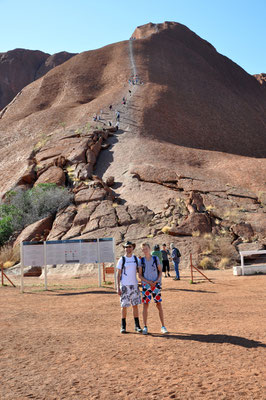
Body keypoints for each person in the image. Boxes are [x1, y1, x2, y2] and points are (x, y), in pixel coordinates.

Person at [139, 242, 168, 335]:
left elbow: (160, 271)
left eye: (146, 248)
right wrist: (148, 282)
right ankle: (145, 327)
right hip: (146, 286)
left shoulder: (155, 259)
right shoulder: (141, 261)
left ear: (149, 249)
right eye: (143, 249)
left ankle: (163, 326)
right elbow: (140, 275)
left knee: (158, 304)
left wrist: (156, 281)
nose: (145, 250)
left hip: (156, 285)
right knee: (145, 305)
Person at [116, 241, 142, 334]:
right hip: (124, 285)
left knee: (135, 305)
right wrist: (117, 287)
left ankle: (137, 326)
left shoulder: (136, 259)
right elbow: (118, 274)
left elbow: (140, 272)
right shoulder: (122, 259)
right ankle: (123, 326)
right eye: (126, 247)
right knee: (124, 306)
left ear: (133, 248)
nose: (128, 248)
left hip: (134, 285)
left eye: (129, 247)